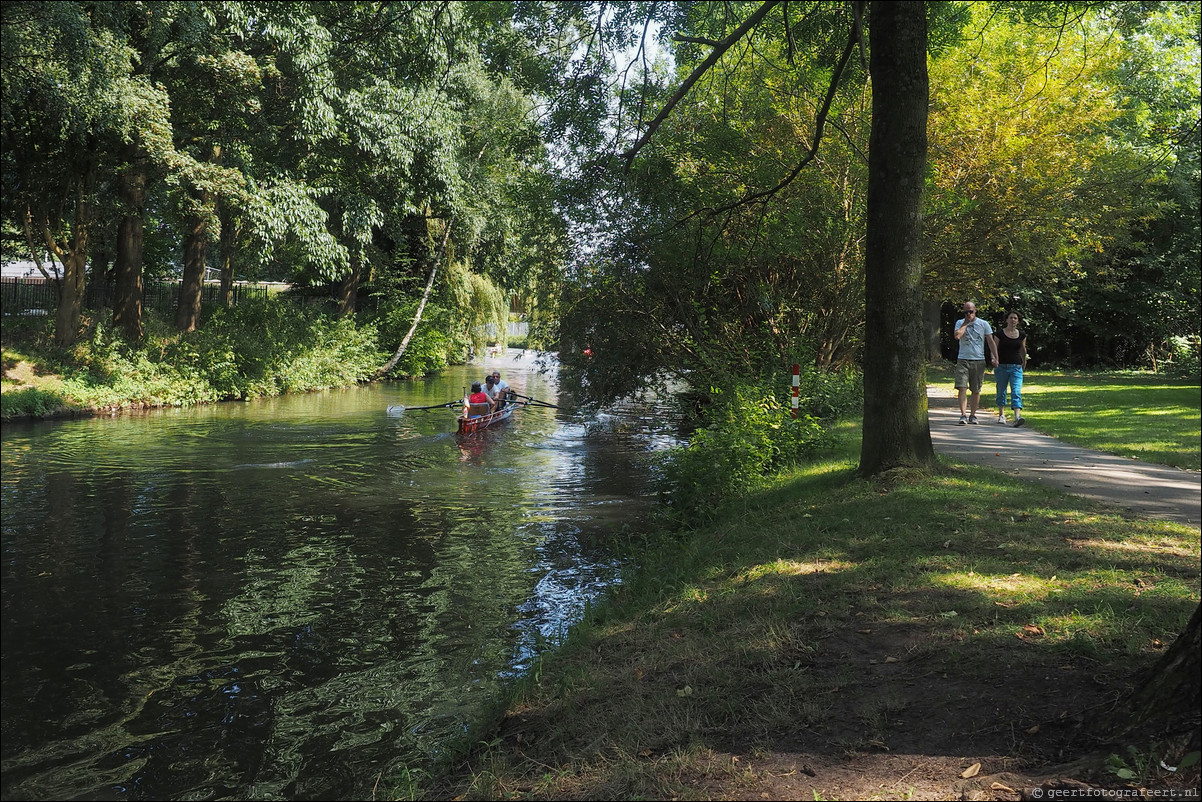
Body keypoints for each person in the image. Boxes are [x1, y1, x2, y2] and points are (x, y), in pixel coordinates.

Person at [953, 301, 998, 425]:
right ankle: (963, 415)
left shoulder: (983, 324)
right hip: (963, 358)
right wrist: (966, 323)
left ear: (975, 311)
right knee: (962, 387)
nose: (969, 314)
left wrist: (995, 357)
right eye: (966, 312)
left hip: (978, 360)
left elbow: (990, 342)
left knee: (976, 389)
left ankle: (973, 415)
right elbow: (957, 336)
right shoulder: (960, 323)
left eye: (971, 311)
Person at [992, 310, 1028, 427]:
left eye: (1015, 318)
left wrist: (1024, 360)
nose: (1013, 320)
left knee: (1016, 391)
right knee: (1001, 390)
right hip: (1001, 366)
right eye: (1011, 318)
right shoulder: (999, 334)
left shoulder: (1022, 335)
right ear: (1006, 320)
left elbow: (1023, 349)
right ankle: (1001, 415)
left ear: (1018, 321)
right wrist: (994, 359)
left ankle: (1017, 417)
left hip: (1016, 367)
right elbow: (994, 348)